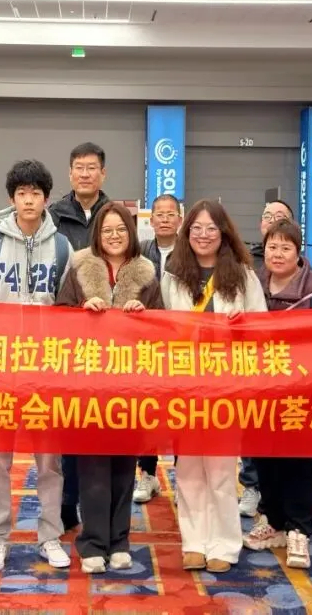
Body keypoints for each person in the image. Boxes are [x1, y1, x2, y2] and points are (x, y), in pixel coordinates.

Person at [0, 159, 74, 572]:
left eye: (36, 193)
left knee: (50, 460)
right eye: (22, 193)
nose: (29, 200)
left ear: (46, 198)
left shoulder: (62, 247)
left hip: (46, 371)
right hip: (0, 369)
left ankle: (50, 535)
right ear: (11, 198)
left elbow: (69, 312)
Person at [55, 203, 163, 573]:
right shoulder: (79, 269)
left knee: (123, 467)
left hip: (131, 387)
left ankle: (119, 541)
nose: (114, 236)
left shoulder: (147, 276)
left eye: (120, 229)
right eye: (107, 230)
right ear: (97, 235)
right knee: (93, 468)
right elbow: (59, 317)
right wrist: (83, 308)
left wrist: (144, 316)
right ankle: (92, 543)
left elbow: (164, 329)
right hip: (89, 386)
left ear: (131, 233)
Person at [161, 199, 268, 573]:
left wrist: (244, 327)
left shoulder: (243, 276)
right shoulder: (173, 275)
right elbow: (161, 329)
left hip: (226, 386)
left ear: (224, 234)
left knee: (221, 469)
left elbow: (263, 329)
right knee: (188, 468)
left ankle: (224, 542)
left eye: (211, 229)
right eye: (196, 228)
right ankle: (194, 541)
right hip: (185, 385)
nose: (203, 235)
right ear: (186, 233)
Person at [241, 219, 312, 569]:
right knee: (265, 458)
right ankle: (274, 520)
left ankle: (298, 528)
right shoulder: (252, 287)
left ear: (298, 252)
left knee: (300, 462)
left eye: (286, 248)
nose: (278, 254)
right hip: (262, 393)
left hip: (303, 395)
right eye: (272, 247)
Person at [49, 142, 111, 531]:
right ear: (70, 173)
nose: (85, 174)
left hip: (108, 339)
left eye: (91, 168)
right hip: (67, 333)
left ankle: (100, 506)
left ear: (103, 173)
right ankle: (67, 502)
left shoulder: (114, 215)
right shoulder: (53, 216)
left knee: (102, 426)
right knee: (68, 424)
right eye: (78, 167)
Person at [237, 199, 294, 516]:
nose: (272, 221)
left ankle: (282, 506)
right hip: (251, 362)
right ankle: (251, 486)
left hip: (287, 365)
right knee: (251, 427)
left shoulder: (304, 274)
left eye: (280, 217)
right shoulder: (245, 263)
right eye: (267, 216)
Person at [134, 193, 182, 503]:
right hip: (147, 343)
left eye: (170, 214)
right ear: (150, 220)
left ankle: (182, 477)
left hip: (179, 344)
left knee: (179, 411)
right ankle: (147, 474)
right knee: (147, 410)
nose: (164, 219)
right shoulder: (139, 252)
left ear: (180, 219)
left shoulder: (190, 252)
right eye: (159, 214)